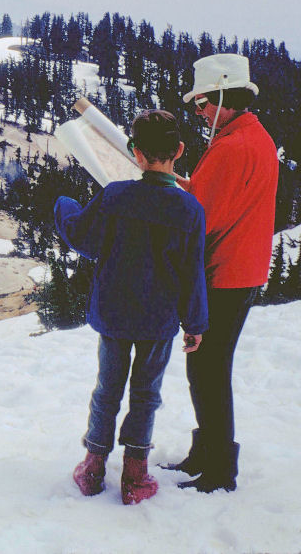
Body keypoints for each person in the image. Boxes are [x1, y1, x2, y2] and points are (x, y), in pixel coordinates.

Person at [55, 110, 208, 505]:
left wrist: (64, 204)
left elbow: (83, 240)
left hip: (115, 313)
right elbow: (193, 274)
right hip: (158, 319)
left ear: (136, 154)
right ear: (178, 150)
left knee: (107, 389)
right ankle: (136, 475)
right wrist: (195, 323)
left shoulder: (115, 195)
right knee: (146, 393)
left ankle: (92, 466)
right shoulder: (190, 210)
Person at [164, 53, 278, 493]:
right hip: (243, 267)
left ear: (224, 98)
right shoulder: (253, 136)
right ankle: (206, 454)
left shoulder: (230, 147)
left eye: (203, 102)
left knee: (208, 370)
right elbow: (217, 198)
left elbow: (200, 218)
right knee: (207, 366)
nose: (199, 112)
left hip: (225, 272)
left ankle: (217, 470)